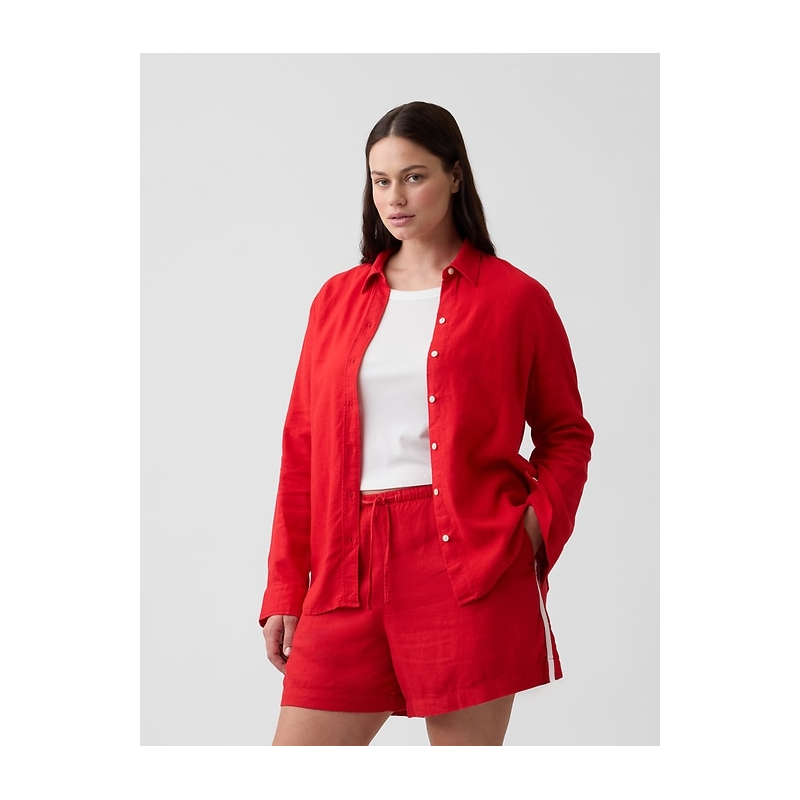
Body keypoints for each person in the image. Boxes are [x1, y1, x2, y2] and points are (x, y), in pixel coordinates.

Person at [259, 100, 594, 746]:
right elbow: (302, 449)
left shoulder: (516, 298)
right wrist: (283, 589)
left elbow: (566, 434)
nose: (395, 197)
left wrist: (528, 530)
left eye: (414, 176)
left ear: (455, 176)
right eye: (381, 180)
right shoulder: (336, 300)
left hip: (467, 562)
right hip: (345, 562)